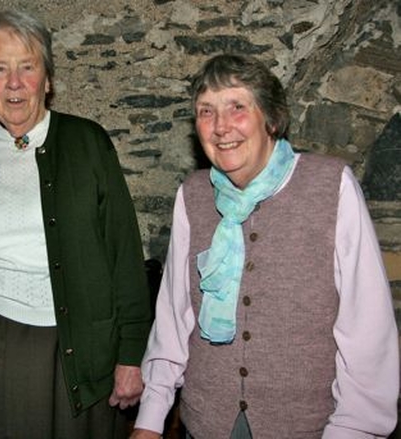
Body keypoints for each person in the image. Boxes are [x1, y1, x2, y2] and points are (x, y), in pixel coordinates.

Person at [132, 54, 399, 438]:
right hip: (207, 422)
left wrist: (353, 432)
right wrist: (151, 418)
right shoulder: (192, 195)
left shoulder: (331, 186)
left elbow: (367, 331)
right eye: (206, 112)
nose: (221, 127)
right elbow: (174, 319)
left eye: (237, 107)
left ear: (271, 119)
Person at [0, 9, 152, 439]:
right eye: (0, 70)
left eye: (27, 67)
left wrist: (131, 354)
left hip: (85, 347)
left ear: (48, 79)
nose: (15, 82)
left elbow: (125, 254)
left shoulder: (88, 142)